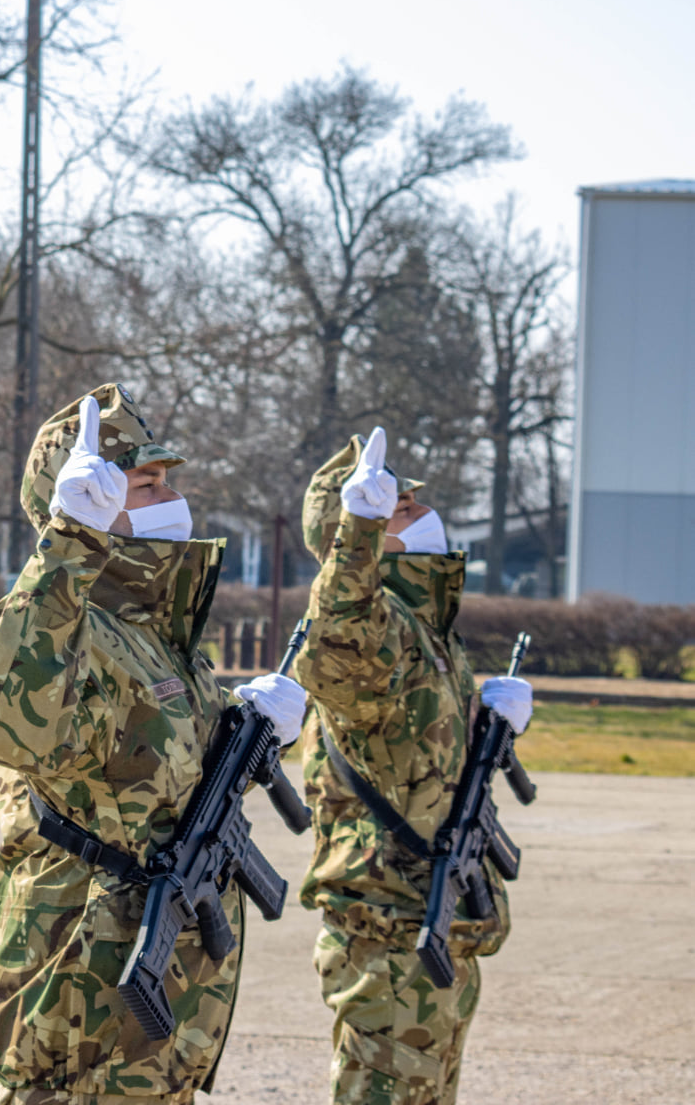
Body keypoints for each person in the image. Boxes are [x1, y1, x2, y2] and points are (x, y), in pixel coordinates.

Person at [0, 385, 307, 1105]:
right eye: (145, 483)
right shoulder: (66, 622)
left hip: (149, 1019)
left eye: (168, 479)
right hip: (82, 1010)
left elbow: (153, 783)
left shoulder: (150, 632)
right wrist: (70, 541)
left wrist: (247, 732)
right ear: (88, 493)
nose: (170, 496)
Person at [295, 427, 533, 1105]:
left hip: (430, 926)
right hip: (390, 936)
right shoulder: (377, 625)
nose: (421, 512)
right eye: (396, 507)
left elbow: (418, 762)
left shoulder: (423, 628)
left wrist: (489, 725)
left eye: (405, 503)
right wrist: (357, 535)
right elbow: (336, 637)